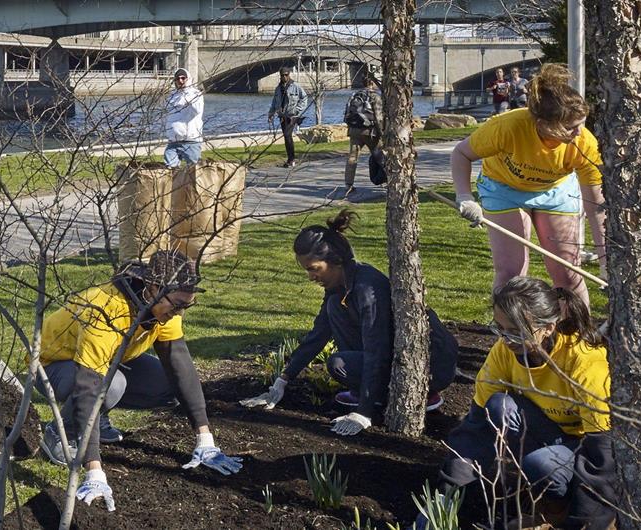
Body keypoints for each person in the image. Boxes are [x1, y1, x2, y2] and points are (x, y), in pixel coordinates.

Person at [36, 251, 243, 512]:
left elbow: (180, 365)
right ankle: (59, 432)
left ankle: (97, 417)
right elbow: (89, 387)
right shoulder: (105, 310)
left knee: (168, 386)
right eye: (177, 305)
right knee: (111, 386)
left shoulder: (163, 309)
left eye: (186, 307)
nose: (180, 312)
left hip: (109, 360)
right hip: (52, 365)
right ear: (154, 288)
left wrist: (205, 440)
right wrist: (95, 471)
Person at [238, 211, 460, 435]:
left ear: (334, 261)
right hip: (400, 356)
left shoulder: (368, 290)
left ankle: (413, 395)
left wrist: (363, 412)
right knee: (335, 309)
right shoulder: (340, 287)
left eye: (314, 269)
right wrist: (281, 382)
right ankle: (374, 391)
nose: (310, 277)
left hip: (433, 367)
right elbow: (318, 334)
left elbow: (377, 350)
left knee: (339, 364)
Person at [431, 276, 618, 529]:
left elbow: (602, 455)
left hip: (585, 448)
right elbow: (474, 431)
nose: (506, 340)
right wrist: (444, 500)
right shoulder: (504, 351)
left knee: (541, 464)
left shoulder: (584, 361)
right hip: (550, 436)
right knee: (498, 406)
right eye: (500, 328)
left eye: (516, 332)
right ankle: (548, 502)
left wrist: (584, 523)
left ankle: (565, 509)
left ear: (548, 328)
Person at [451, 64, 602, 306]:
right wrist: (464, 195)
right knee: (512, 273)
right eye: (570, 127)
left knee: (568, 272)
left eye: (581, 124)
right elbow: (461, 153)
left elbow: (595, 204)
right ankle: (510, 335)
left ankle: (577, 334)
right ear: (543, 123)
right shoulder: (507, 127)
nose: (578, 133)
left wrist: (605, 259)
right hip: (503, 189)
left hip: (556, 191)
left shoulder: (584, 143)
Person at [342, 76, 383, 193]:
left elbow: (347, 112)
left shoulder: (354, 95)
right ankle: (386, 180)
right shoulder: (375, 96)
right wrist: (382, 133)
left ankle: (348, 184)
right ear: (373, 83)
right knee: (380, 156)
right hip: (370, 131)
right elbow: (378, 117)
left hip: (354, 130)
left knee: (352, 157)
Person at [267, 66, 310, 168]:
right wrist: (271, 114)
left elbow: (304, 98)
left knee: (287, 135)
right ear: (280, 76)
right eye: (282, 75)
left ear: (289, 75)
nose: (284, 77)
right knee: (287, 138)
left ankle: (292, 159)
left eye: (286, 75)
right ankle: (290, 159)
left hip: (292, 116)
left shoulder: (295, 86)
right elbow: (274, 102)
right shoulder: (278, 89)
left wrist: (297, 110)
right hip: (282, 116)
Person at [163, 67, 204, 169]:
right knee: (169, 169)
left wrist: (186, 96)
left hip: (191, 140)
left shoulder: (195, 94)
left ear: (188, 79)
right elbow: (167, 115)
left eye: (183, 78)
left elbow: (197, 110)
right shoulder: (172, 96)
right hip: (173, 141)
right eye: (177, 79)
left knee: (194, 171)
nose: (180, 81)